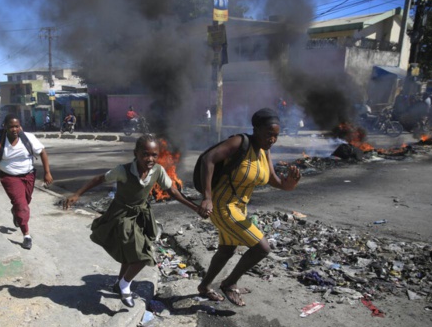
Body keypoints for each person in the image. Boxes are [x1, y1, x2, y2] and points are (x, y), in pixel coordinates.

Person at [63, 134, 206, 308]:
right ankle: (125, 285)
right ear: (136, 153)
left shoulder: (158, 171)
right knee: (143, 256)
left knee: (131, 253)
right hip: (122, 215)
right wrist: (77, 194)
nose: (150, 159)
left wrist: (196, 208)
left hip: (140, 216)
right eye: (145, 154)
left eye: (154, 155)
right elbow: (99, 179)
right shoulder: (123, 171)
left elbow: (173, 191)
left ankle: (119, 283)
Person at [197, 108, 301, 306]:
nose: (272, 139)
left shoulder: (264, 151)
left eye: (276, 136)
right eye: (269, 134)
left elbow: (273, 179)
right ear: (256, 129)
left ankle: (204, 286)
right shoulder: (239, 142)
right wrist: (207, 197)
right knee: (262, 248)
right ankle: (229, 283)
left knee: (227, 249)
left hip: (239, 207)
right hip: (222, 205)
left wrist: (288, 185)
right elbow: (207, 159)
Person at [0, 114, 53, 250]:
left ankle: (15, 212)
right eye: (11, 126)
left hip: (29, 175)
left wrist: (47, 172)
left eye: (17, 126)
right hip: (10, 177)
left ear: (20, 126)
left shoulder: (28, 138)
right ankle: (26, 236)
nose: (14, 129)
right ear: (5, 127)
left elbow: (42, 152)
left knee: (25, 201)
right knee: (22, 205)